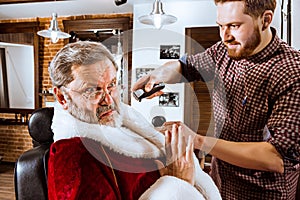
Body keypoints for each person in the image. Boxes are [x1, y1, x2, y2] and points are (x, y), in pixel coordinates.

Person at [133, 0, 300, 199]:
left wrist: (197, 140)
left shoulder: (291, 71)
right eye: (221, 26)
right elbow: (186, 66)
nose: (225, 36)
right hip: (219, 185)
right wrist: (157, 75)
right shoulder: (224, 51)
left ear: (265, 20)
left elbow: (276, 157)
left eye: (234, 26)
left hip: (263, 194)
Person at [47, 41, 221, 200]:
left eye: (112, 84)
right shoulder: (73, 156)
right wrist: (178, 185)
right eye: (92, 90)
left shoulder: (127, 127)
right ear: (62, 97)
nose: (108, 100)